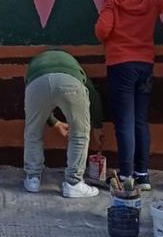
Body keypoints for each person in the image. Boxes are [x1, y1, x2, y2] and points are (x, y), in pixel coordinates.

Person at [94, 0, 163, 190]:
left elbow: (102, 31)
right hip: (145, 66)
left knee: (125, 121)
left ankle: (127, 174)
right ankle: (143, 174)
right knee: (140, 120)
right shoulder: (150, 3)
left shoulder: (112, 3)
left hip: (120, 66)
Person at [22, 50, 104, 198]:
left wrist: (54, 122)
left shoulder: (36, 62)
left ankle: (32, 179)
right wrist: (97, 126)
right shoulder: (72, 64)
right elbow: (92, 94)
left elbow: (39, 104)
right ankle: (74, 183)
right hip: (70, 82)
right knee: (79, 135)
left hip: (37, 82)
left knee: (33, 132)